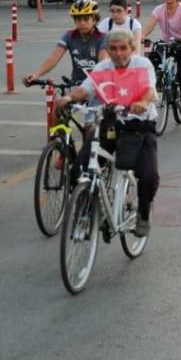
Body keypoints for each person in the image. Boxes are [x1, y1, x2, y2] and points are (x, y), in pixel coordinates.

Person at [57, 28, 159, 238]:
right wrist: (69, 99)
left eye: (123, 48)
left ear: (132, 48)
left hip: (140, 125)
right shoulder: (103, 67)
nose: (118, 53)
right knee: (79, 168)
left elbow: (149, 89)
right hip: (111, 125)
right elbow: (85, 89)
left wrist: (142, 102)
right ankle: (88, 211)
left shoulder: (142, 64)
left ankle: (143, 215)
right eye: (113, 48)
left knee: (148, 176)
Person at [23, 0, 108, 87]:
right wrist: (36, 75)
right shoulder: (69, 36)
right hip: (76, 84)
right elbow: (53, 59)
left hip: (98, 86)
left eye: (86, 19)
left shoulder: (102, 38)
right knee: (61, 100)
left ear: (94, 20)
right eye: (78, 19)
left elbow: (102, 64)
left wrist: (93, 82)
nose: (82, 23)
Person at [142, 0, 181, 116]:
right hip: (166, 42)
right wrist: (140, 37)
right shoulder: (158, 10)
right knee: (153, 62)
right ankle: (161, 84)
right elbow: (149, 26)